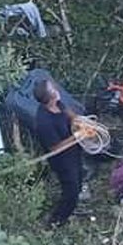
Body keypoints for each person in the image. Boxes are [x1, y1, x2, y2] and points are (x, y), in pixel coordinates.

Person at [33, 78, 85, 228]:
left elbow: (68, 113)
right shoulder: (44, 122)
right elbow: (55, 148)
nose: (57, 90)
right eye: (54, 90)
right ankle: (56, 221)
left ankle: (74, 203)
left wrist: (79, 121)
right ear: (48, 98)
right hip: (62, 161)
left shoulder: (57, 104)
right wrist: (77, 136)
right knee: (71, 191)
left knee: (79, 177)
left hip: (73, 151)